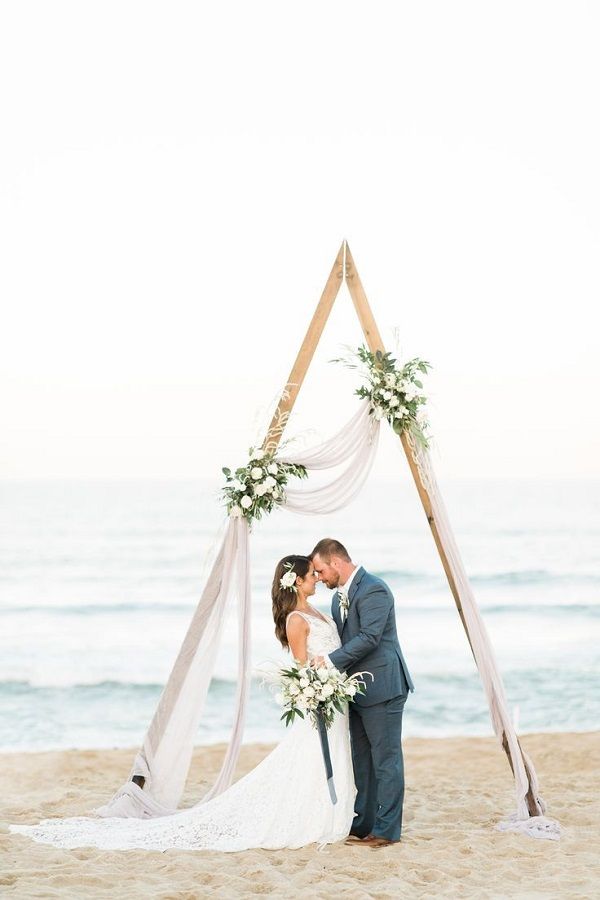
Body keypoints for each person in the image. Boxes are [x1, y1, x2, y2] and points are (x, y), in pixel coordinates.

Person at [10, 555, 356, 852]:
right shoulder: (296, 620)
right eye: (312, 575)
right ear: (297, 581)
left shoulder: (316, 611)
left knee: (328, 756)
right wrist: (319, 691)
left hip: (335, 698)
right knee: (311, 759)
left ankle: (329, 808)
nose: (317, 578)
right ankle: (315, 814)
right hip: (322, 702)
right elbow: (302, 669)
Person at [311, 538, 414, 848]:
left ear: (336, 563)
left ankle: (386, 830)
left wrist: (328, 662)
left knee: (386, 761)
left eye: (319, 571)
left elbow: (369, 639)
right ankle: (362, 825)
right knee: (362, 762)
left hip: (382, 688)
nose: (318, 578)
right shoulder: (336, 599)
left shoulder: (374, 589)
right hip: (355, 692)